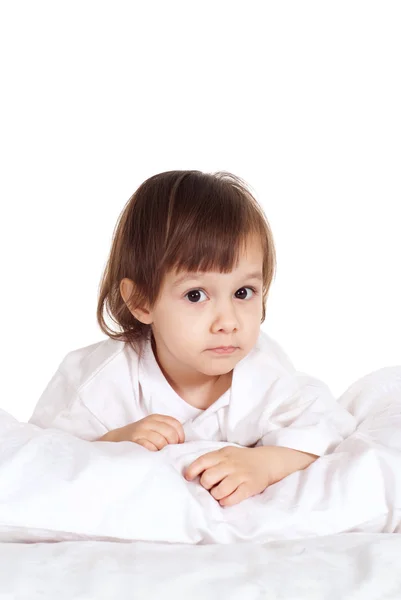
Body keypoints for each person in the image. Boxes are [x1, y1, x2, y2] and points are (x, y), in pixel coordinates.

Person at [29, 170, 356, 507]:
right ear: (141, 301)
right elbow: (40, 460)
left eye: (243, 292)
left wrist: (266, 464)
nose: (228, 322)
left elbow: (327, 431)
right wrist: (112, 442)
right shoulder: (98, 383)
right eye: (196, 295)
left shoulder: (263, 370)